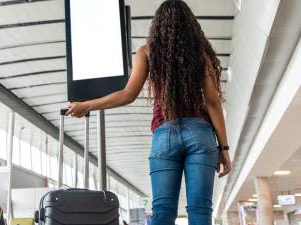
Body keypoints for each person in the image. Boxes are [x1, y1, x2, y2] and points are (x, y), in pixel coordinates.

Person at [66, 0, 232, 224]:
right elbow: (212, 102)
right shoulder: (200, 53)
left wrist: (86, 105)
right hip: (200, 133)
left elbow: (127, 94)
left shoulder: (147, 52)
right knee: (200, 209)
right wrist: (224, 148)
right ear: (190, 24)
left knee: (162, 209)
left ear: (157, 24)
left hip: (165, 136)